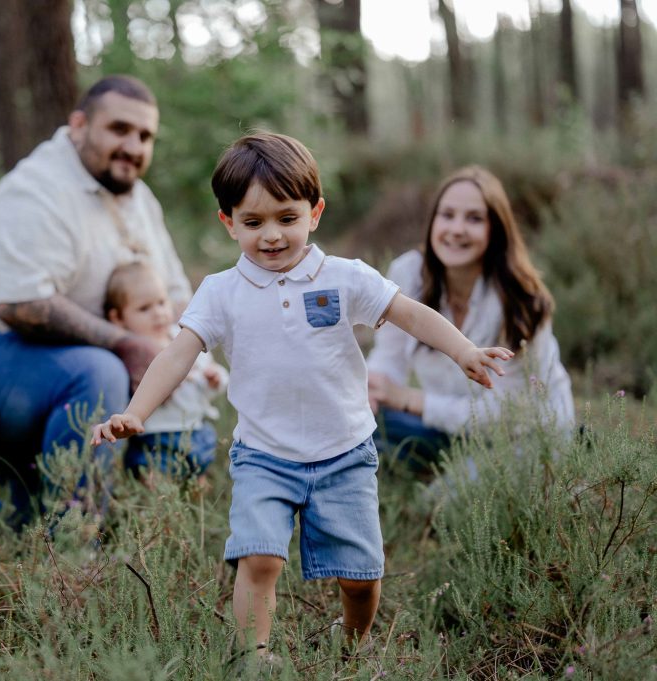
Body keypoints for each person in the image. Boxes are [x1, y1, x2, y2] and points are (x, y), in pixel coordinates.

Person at [91, 133, 512, 660]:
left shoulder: (343, 278)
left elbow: (409, 313)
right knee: (259, 559)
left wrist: (463, 350)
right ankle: (254, 656)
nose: (271, 235)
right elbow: (178, 354)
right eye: (253, 222)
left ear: (314, 213)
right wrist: (135, 411)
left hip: (345, 454)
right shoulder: (222, 292)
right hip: (264, 455)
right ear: (228, 222)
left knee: (360, 578)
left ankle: (352, 644)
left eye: (286, 218)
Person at [0, 76, 191, 519]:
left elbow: (176, 296)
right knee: (101, 370)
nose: (134, 147)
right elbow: (19, 304)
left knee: (34, 516)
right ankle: (78, 546)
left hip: (49, 367)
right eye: (119, 129)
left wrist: (177, 358)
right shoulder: (37, 191)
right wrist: (127, 344)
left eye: (145, 136)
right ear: (78, 126)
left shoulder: (139, 199)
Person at [366, 165, 574, 473]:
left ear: (495, 230)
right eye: (447, 215)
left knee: (444, 505)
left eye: (474, 218)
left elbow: (510, 414)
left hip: (521, 436)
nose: (457, 229)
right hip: (443, 427)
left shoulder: (522, 301)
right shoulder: (408, 274)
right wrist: (373, 389)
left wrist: (412, 400)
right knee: (357, 429)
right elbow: (389, 356)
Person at [103, 262, 228, 477]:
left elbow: (205, 387)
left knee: (198, 482)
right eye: (144, 308)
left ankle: (196, 501)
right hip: (156, 438)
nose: (158, 313)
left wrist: (215, 380)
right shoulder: (133, 351)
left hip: (196, 430)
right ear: (118, 318)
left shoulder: (182, 339)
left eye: (162, 303)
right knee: (155, 483)